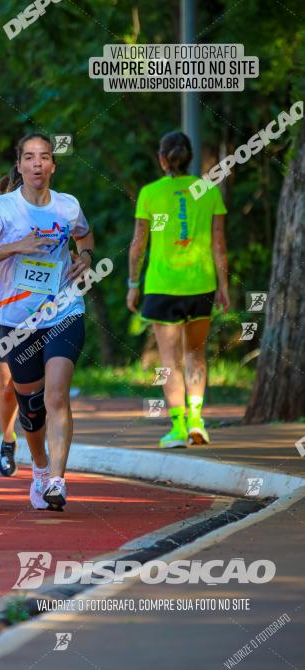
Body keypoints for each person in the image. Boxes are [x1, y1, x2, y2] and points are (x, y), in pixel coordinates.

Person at [0, 132, 95, 511]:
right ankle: (39, 469)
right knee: (31, 408)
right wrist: (15, 247)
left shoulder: (68, 206)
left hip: (63, 311)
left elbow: (85, 238)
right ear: (20, 165)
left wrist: (85, 259)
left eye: (44, 157)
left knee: (56, 395)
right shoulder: (1, 210)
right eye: (29, 157)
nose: (37, 164)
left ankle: (57, 479)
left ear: (53, 165)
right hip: (17, 321)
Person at [127, 130, 229, 448]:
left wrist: (133, 284)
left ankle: (177, 427)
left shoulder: (150, 193)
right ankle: (198, 421)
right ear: (189, 159)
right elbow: (219, 245)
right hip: (201, 284)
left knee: (169, 360)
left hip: (161, 287)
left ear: (162, 159)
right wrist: (224, 287)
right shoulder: (209, 191)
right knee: (196, 354)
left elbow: (137, 245)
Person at [0, 171, 20, 478]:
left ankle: (44, 444)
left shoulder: (52, 217)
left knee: (45, 387)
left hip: (44, 313)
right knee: (8, 385)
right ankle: (8, 441)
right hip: (2, 313)